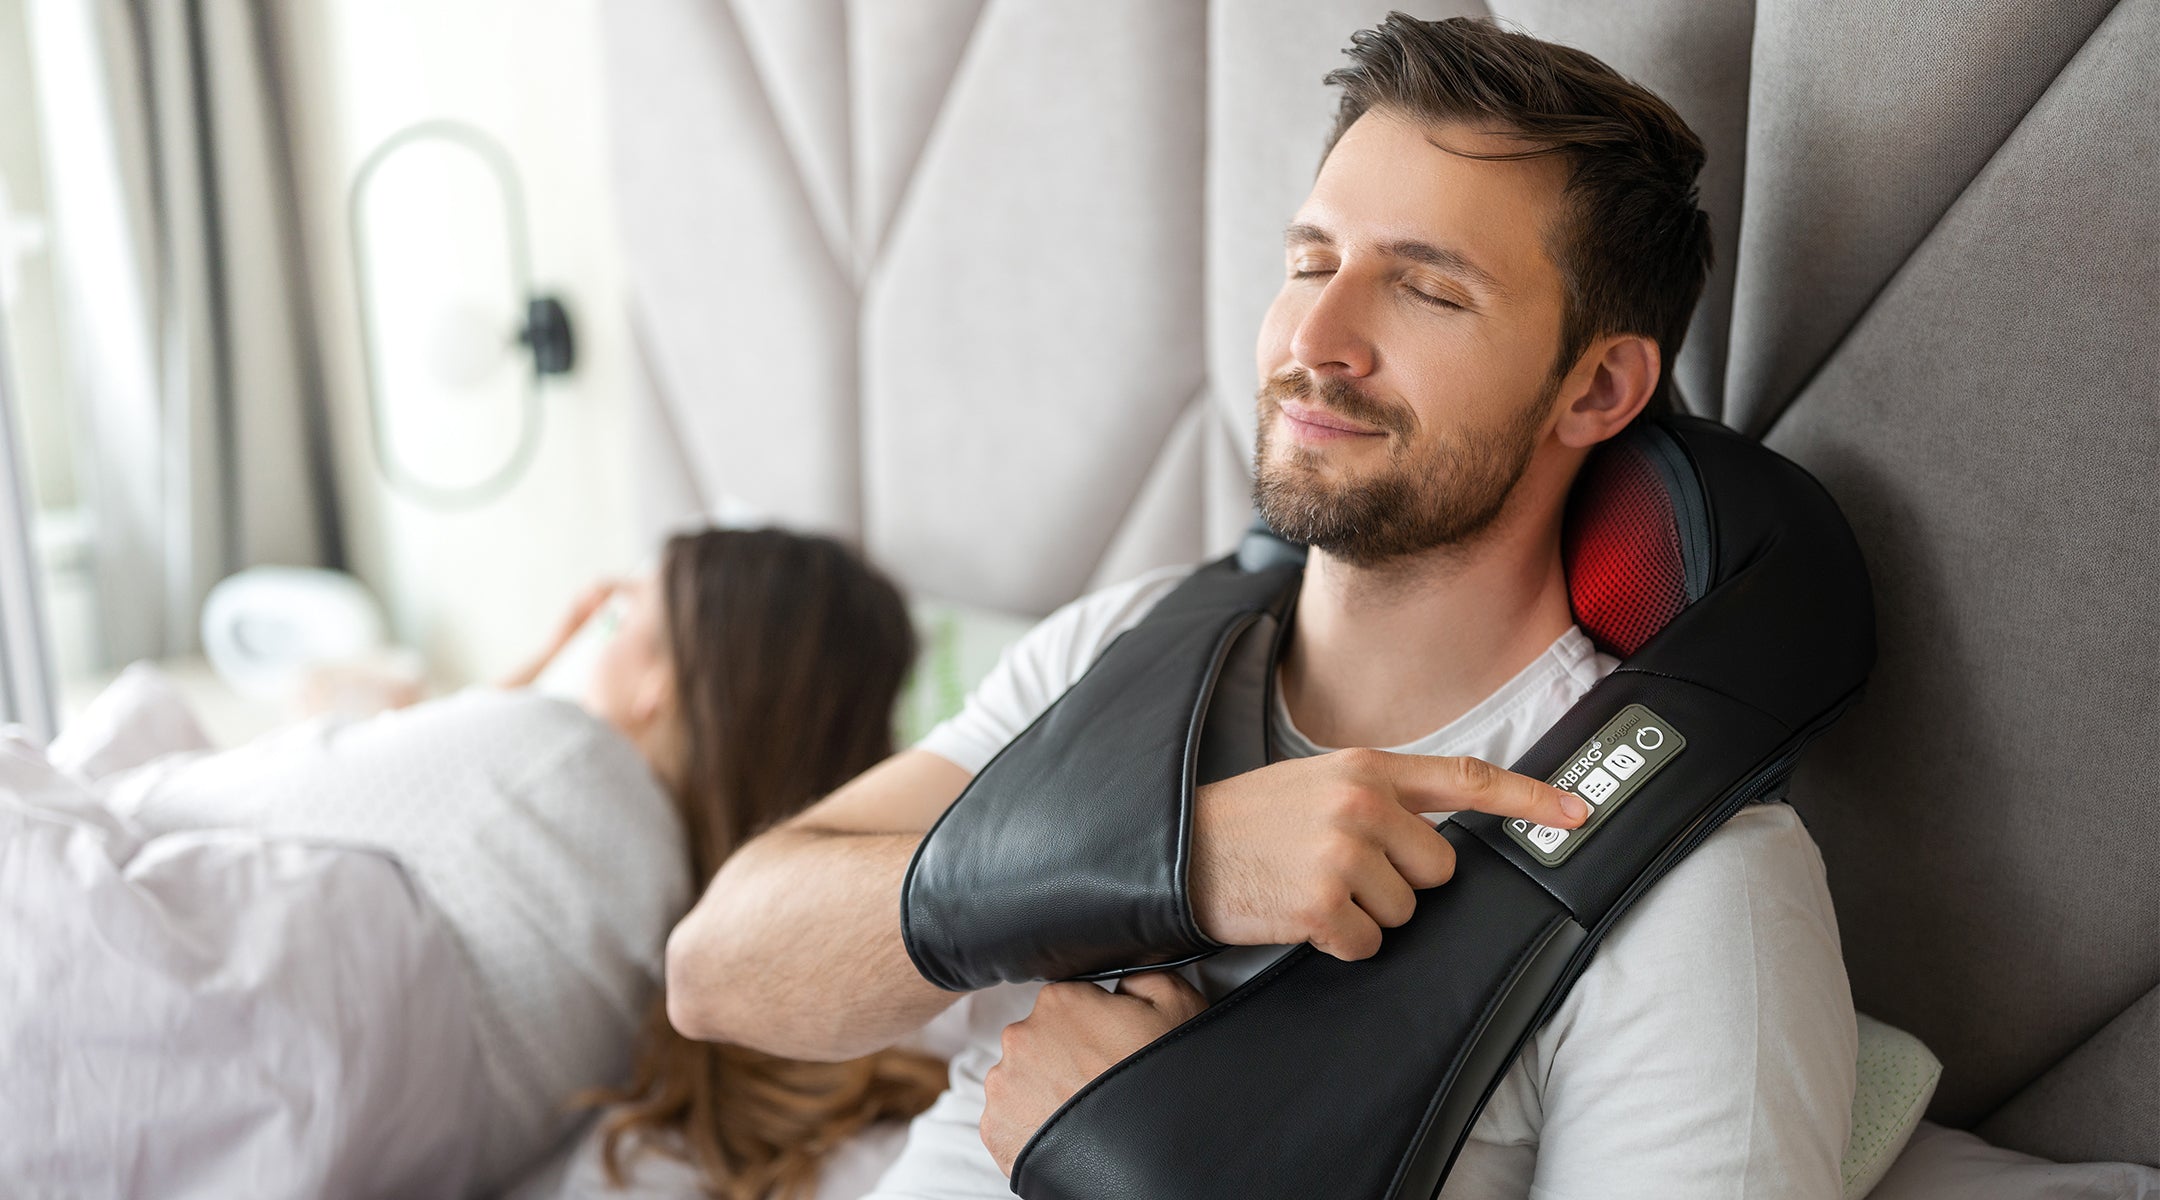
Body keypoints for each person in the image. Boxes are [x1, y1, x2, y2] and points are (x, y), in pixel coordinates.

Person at [663, 15, 1856, 1200]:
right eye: (1310, 262)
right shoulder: (1127, 643)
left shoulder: (1699, 896)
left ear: (1596, 386)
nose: (1318, 340)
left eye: (1428, 290)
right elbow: (719, 972)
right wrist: (1176, 861)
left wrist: (1153, 1172)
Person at [108, 526, 946, 1196]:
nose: (597, 635)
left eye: (622, 620)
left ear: (660, 686)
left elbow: (159, 801)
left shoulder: (565, 765)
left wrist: (540, 688)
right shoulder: (666, 962)